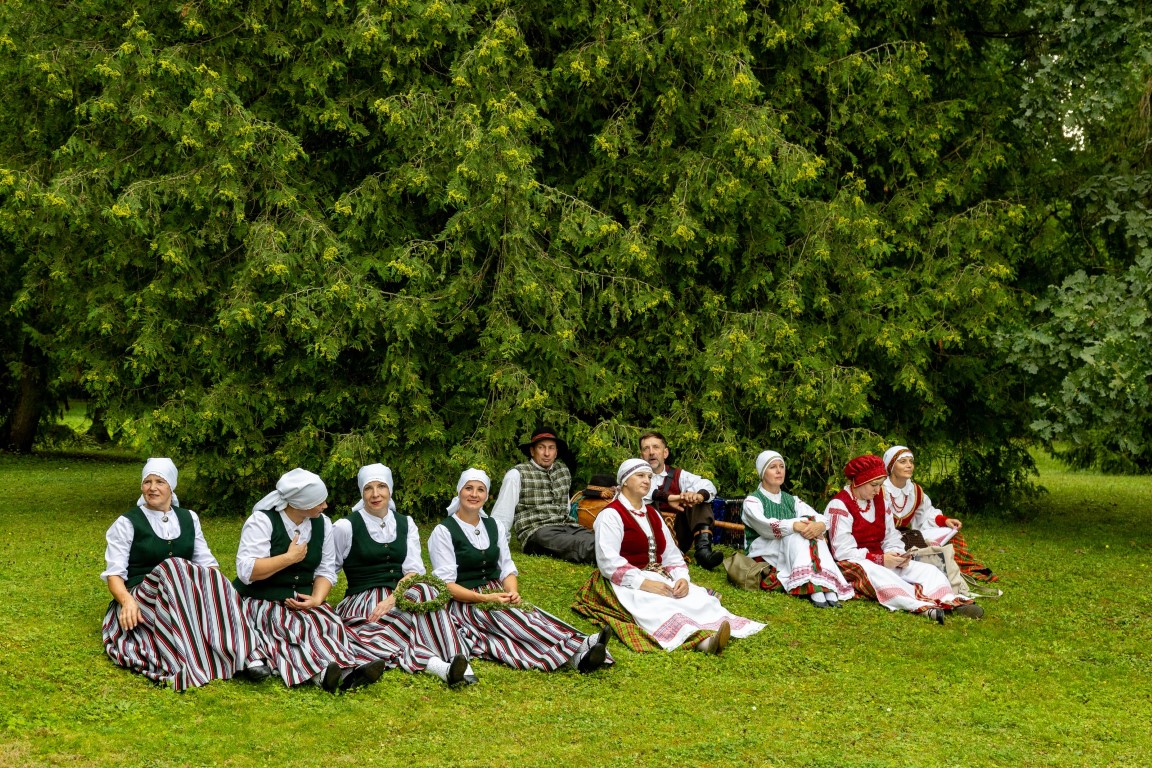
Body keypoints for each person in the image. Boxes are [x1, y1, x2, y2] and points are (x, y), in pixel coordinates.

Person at [101, 458, 266, 690]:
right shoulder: (126, 523)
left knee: (215, 578)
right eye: (147, 482)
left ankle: (246, 655)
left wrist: (210, 593)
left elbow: (207, 564)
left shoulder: (189, 518)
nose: (152, 488)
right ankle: (193, 659)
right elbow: (114, 574)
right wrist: (127, 602)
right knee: (173, 566)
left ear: (171, 487)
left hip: (183, 592)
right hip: (144, 596)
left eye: (160, 481)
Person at [428, 468, 611, 674]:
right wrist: (485, 599)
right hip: (465, 602)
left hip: (495, 592)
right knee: (513, 622)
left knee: (532, 615)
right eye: (468, 488)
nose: (474, 494)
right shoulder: (443, 531)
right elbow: (446, 585)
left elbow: (506, 567)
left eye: (480, 490)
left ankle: (579, 655)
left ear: (487, 496)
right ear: (459, 492)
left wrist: (512, 591)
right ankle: (579, 647)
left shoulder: (494, 525)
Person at [574, 459, 765, 653]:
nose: (647, 481)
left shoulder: (652, 514)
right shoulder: (611, 515)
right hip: (623, 580)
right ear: (624, 481)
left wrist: (682, 578)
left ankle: (714, 630)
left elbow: (671, 555)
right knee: (657, 605)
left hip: (657, 574)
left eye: (649, 477)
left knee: (697, 599)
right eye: (640, 476)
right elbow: (608, 562)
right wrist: (645, 584)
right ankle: (705, 643)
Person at [234, 468, 389, 692]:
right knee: (288, 631)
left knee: (328, 624)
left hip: (301, 600)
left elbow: (326, 569)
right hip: (262, 600)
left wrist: (317, 599)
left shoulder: (322, 523)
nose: (325, 506)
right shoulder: (262, 521)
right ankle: (321, 674)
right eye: (319, 502)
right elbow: (247, 571)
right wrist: (288, 558)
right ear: (299, 503)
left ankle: (348, 671)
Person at [332, 464, 472, 686]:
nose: (375, 494)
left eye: (381, 486)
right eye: (368, 488)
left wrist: (393, 598)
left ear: (390, 490)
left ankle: (460, 661)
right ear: (361, 492)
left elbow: (413, 571)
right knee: (395, 630)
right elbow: (329, 569)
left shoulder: (406, 523)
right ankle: (444, 668)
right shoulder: (345, 527)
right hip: (363, 599)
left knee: (427, 590)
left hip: (401, 593)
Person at [825, 455, 983, 622]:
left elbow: (890, 536)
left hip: (882, 558)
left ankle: (951, 601)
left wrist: (897, 554)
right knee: (882, 576)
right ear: (858, 482)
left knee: (929, 571)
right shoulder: (839, 505)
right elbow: (842, 551)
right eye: (874, 485)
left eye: (880, 485)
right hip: (854, 563)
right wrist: (879, 559)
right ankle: (922, 607)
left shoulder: (879, 501)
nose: (878, 491)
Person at [741, 450, 854, 608]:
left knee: (810, 532)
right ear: (762, 472)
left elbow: (818, 517)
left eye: (781, 466)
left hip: (791, 546)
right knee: (797, 535)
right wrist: (795, 525)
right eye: (773, 467)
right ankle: (816, 588)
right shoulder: (752, 501)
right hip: (763, 548)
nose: (779, 471)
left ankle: (824, 586)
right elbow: (765, 527)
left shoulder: (791, 500)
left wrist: (819, 526)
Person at [882, 445, 998, 582]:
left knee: (951, 534)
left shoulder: (915, 490)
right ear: (891, 466)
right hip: (884, 539)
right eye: (903, 462)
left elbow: (926, 513)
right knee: (898, 555)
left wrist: (944, 521)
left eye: (911, 461)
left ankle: (963, 567)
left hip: (907, 536)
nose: (909, 465)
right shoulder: (880, 489)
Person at [491, 425, 595, 564]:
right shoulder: (517, 474)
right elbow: (503, 515)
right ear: (532, 451)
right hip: (537, 533)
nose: (547, 453)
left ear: (556, 452)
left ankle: (610, 553)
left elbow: (566, 506)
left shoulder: (563, 470)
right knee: (577, 545)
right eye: (541, 447)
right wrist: (496, 546)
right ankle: (606, 557)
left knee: (599, 539)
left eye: (551, 448)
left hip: (567, 527)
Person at [639, 431, 724, 569]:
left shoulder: (678, 475)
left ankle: (703, 553)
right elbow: (642, 494)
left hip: (678, 537)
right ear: (641, 456)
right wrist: (669, 498)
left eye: (656, 447)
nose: (651, 452)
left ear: (665, 453)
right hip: (648, 537)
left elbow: (708, 485)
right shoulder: (634, 477)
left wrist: (699, 495)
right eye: (646, 449)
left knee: (696, 500)